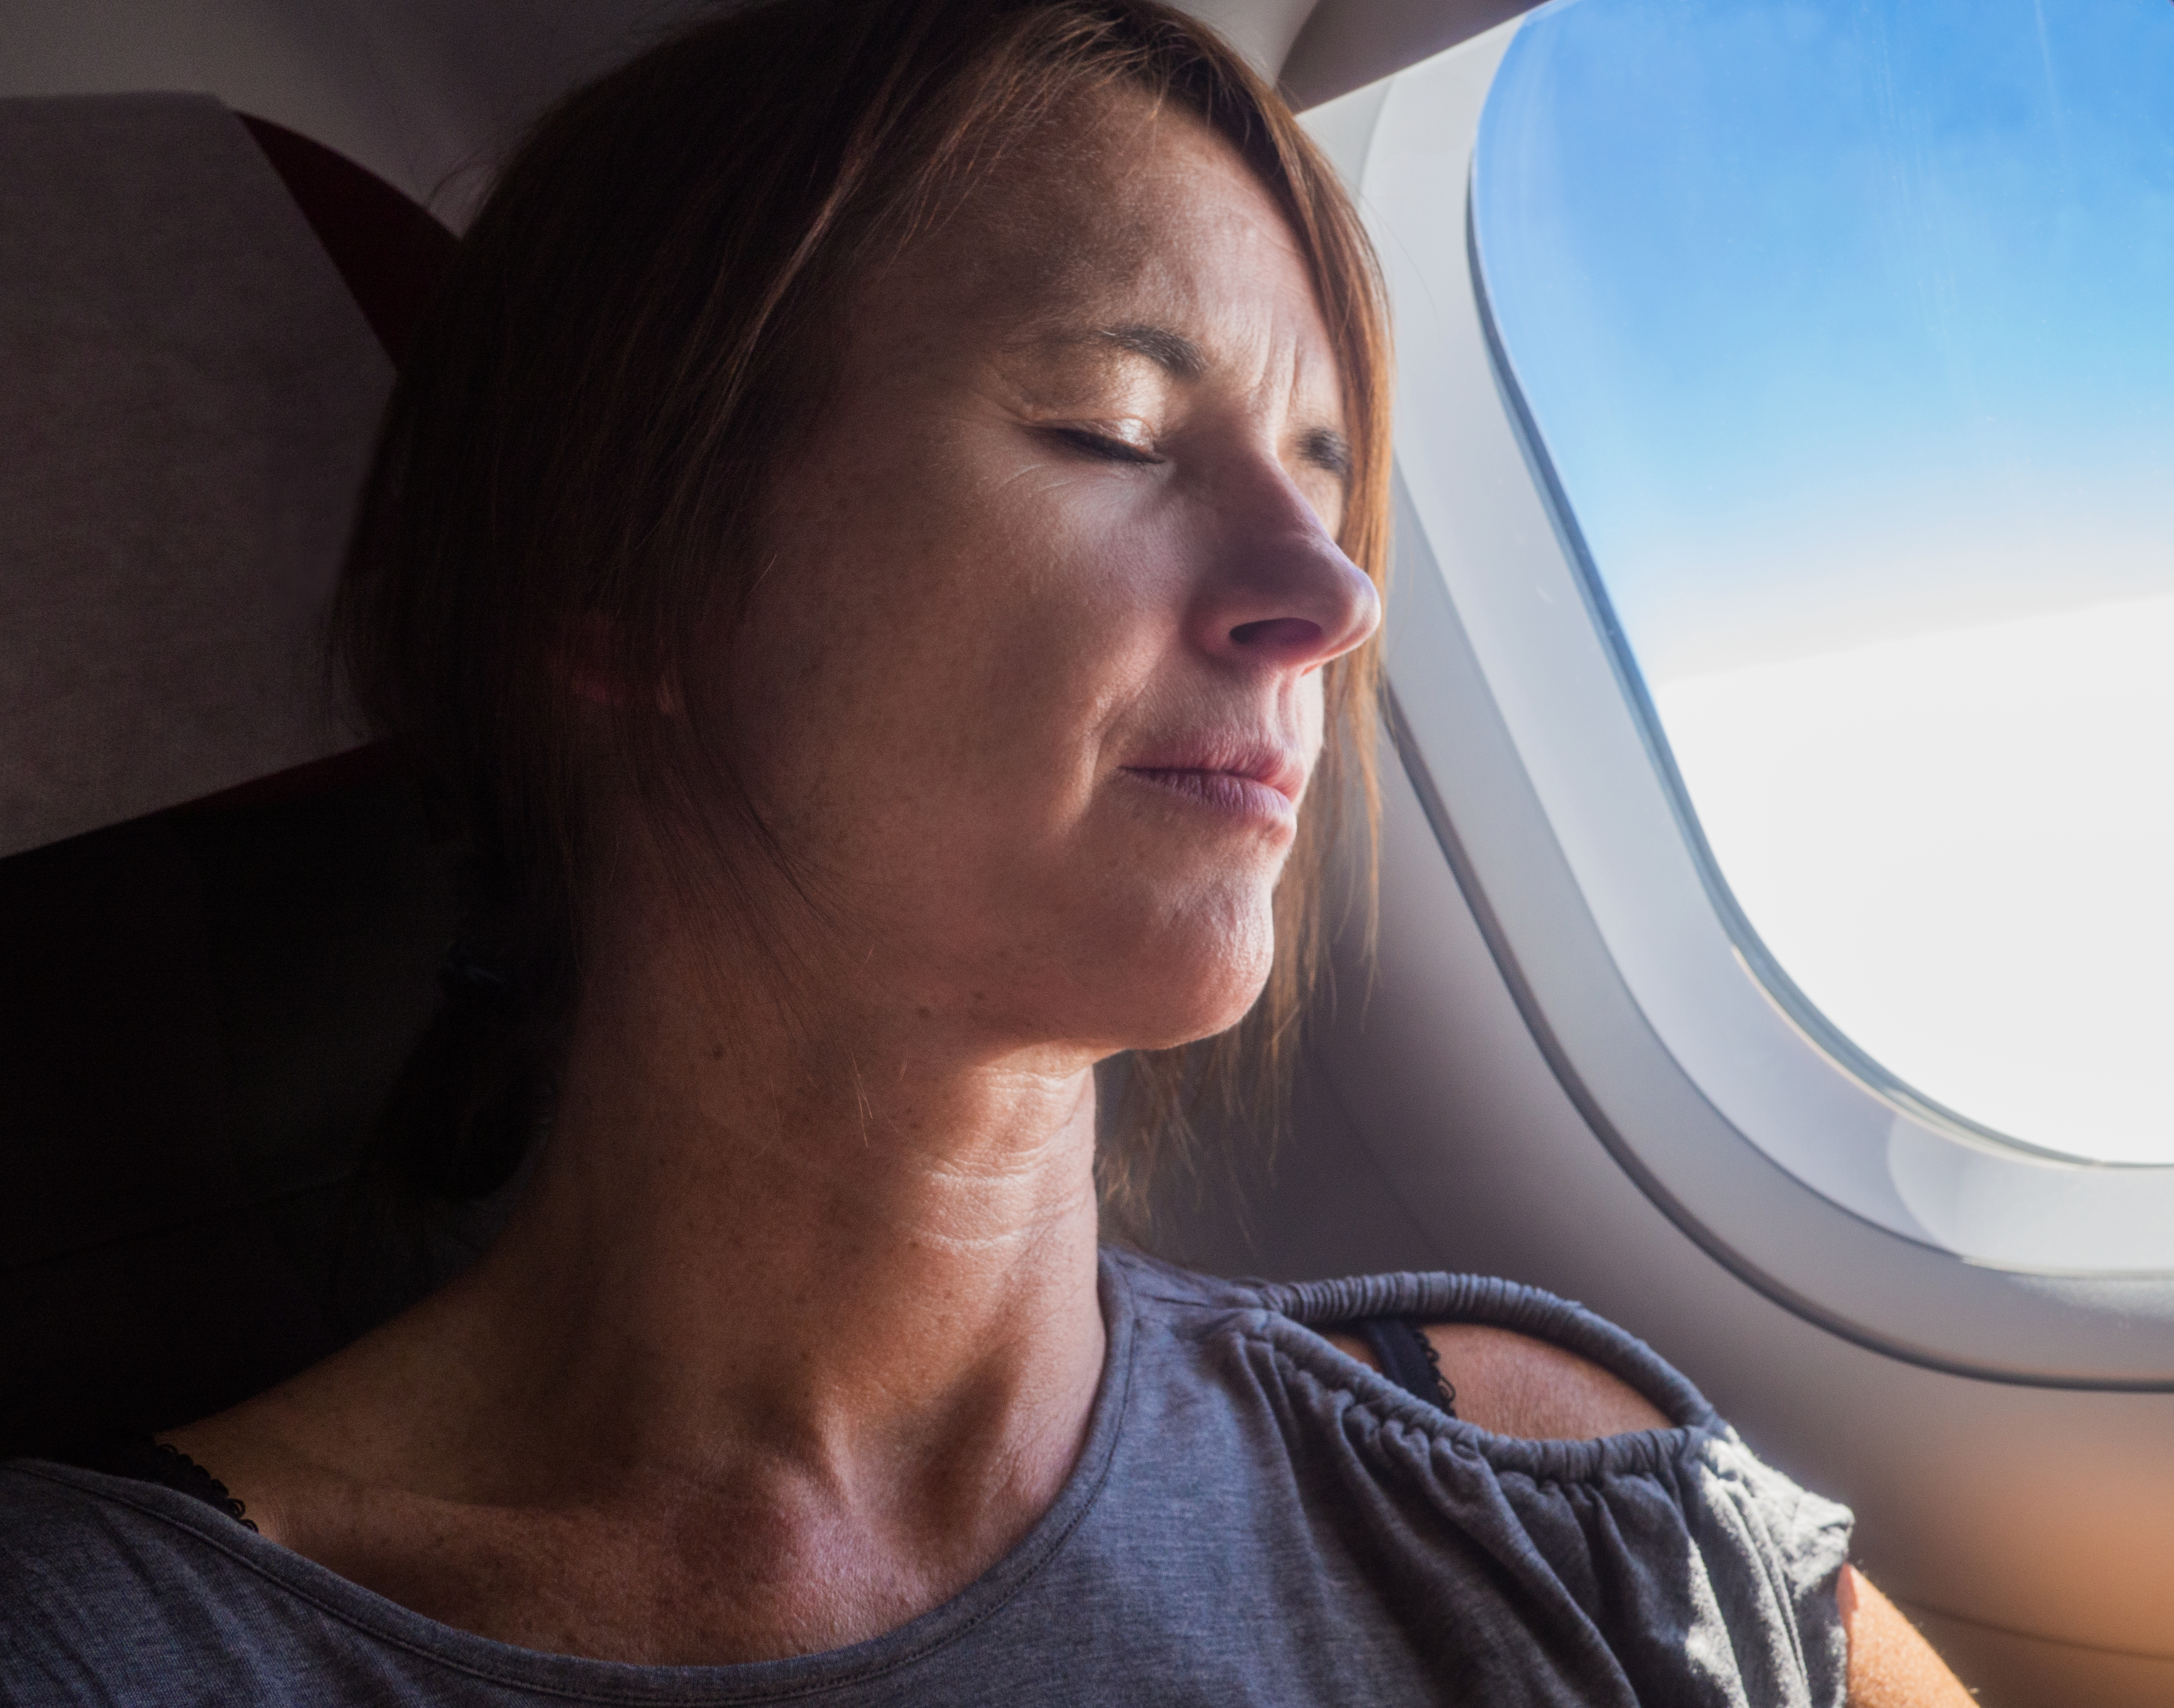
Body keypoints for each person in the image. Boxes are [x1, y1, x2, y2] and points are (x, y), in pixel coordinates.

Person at [1, 1, 1971, 1702]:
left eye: (1321, 469)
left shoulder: (1561, 1496)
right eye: (1112, 427)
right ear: (624, 583)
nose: (1329, 592)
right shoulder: (105, 1643)